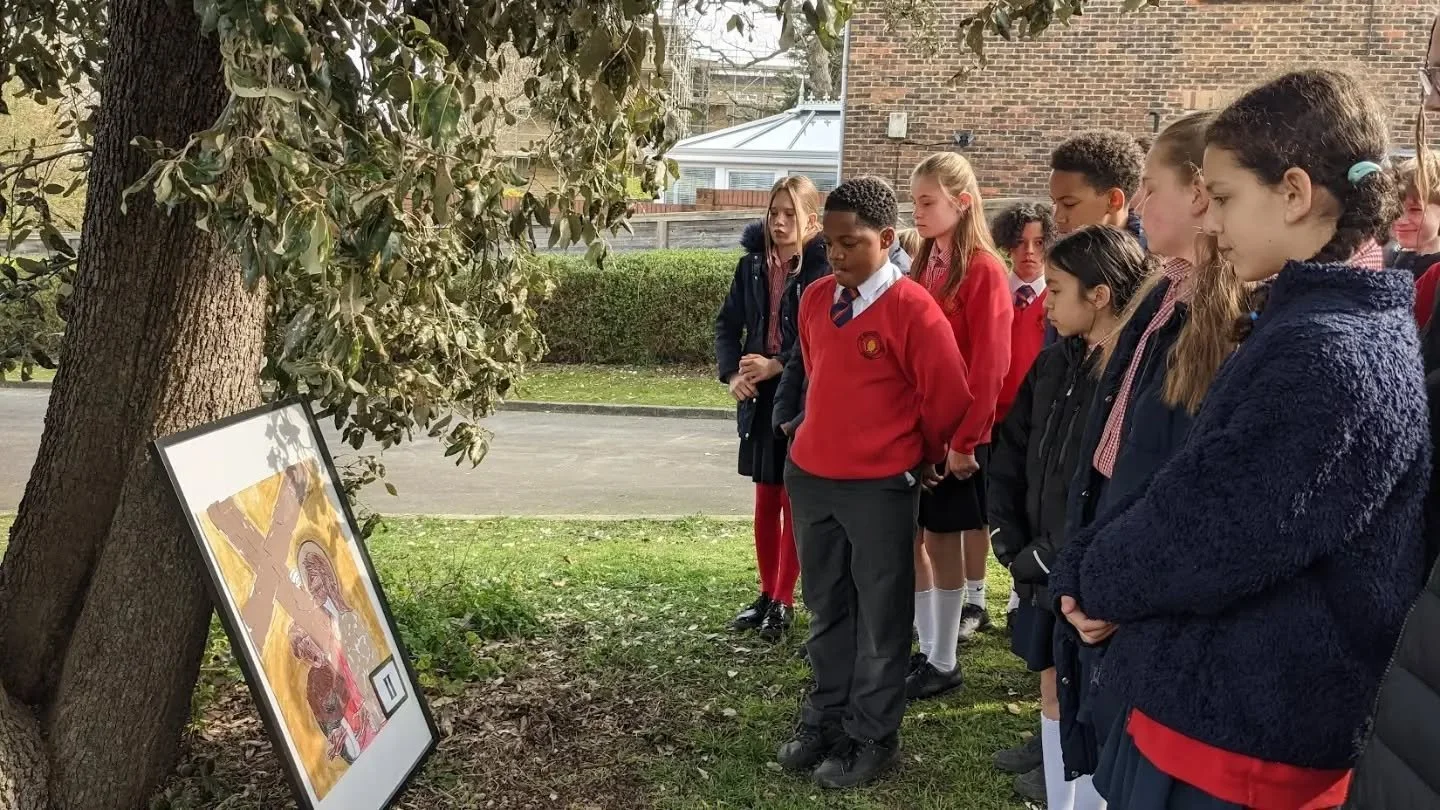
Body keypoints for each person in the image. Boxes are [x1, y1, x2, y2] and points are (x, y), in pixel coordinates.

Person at [1051, 68, 1429, 809]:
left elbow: (1212, 526)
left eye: (1223, 198)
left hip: (1241, 738)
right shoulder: (1314, 326)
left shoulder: (1329, 352)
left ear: (1294, 193)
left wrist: (1089, 577)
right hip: (1224, 711)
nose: (1213, 222)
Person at [1048, 109, 1237, 786]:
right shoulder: (1163, 290)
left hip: (1143, 568)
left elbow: (1183, 472)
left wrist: (1119, 580)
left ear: (1199, 193)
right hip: (1110, 534)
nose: (1141, 201)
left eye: (1152, 187)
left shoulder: (1225, 311)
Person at [777, 175, 971, 790]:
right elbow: (815, 371)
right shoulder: (816, 298)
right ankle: (827, 716)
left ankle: (872, 733)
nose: (836, 255)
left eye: (851, 243)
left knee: (882, 617)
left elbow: (949, 395)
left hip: (881, 485)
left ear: (886, 239)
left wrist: (921, 453)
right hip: (813, 479)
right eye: (830, 243)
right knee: (827, 606)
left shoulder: (914, 308)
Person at [989, 226, 1152, 808]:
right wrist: (1011, 540)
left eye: (1056, 290)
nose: (1046, 303)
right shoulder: (1053, 364)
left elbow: (1121, 488)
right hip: (1039, 569)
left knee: (1093, 706)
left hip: (1090, 580)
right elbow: (1011, 453)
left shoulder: (1134, 379)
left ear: (1100, 294)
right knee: (1052, 687)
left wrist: (1063, 557)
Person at [905, 152, 1013, 702]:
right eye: (915, 201)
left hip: (959, 437)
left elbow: (991, 364)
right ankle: (928, 647)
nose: (917, 212)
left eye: (927, 201)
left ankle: (943, 659)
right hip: (922, 431)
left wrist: (965, 440)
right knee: (916, 540)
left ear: (962, 202)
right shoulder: (926, 262)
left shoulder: (984, 269)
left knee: (943, 542)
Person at [715, 176, 829, 641]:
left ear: (812, 220)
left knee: (790, 499)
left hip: (800, 397)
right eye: (773, 213)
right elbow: (727, 324)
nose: (779, 222)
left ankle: (784, 600)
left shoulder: (823, 268)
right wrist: (733, 374)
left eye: (790, 214)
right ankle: (766, 593)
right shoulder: (752, 266)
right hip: (758, 398)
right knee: (764, 498)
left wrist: (776, 364)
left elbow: (818, 337)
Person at [991, 202, 1057, 424]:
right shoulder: (991, 293)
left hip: (1039, 415)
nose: (1029, 251)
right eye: (1020, 241)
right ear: (1008, 244)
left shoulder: (1059, 300)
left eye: (1039, 243)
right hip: (991, 415)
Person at [1049, 130, 1148, 244]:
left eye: (1069, 204)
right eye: (1054, 202)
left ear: (1114, 200)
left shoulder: (1154, 251)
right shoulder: (1049, 248)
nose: (1057, 218)